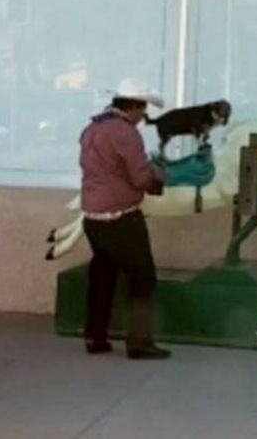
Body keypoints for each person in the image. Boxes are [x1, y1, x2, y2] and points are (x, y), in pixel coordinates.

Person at [79, 79, 170, 360]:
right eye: (143, 110)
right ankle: (139, 343)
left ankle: (95, 336)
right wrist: (158, 176)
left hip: (92, 217)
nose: (144, 117)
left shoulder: (92, 128)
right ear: (133, 107)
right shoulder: (125, 133)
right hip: (121, 218)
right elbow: (140, 177)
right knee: (143, 277)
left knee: (102, 276)